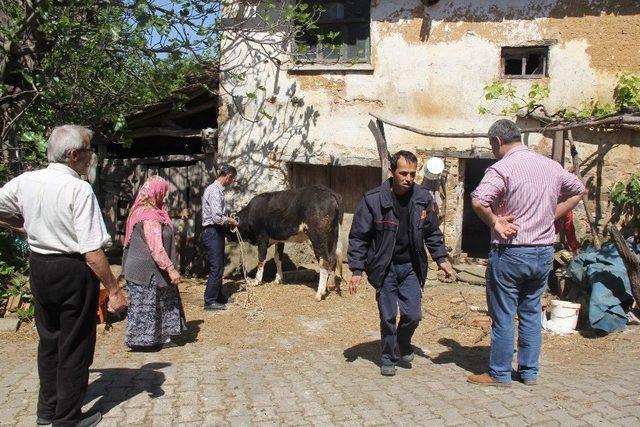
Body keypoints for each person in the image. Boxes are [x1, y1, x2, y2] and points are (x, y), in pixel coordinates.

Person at [0, 125, 127, 427]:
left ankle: (47, 413)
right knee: (75, 345)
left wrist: (22, 224)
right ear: (73, 155)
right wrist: (114, 289)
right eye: (87, 150)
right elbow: (92, 252)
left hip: (41, 267)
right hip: (72, 270)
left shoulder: (27, 180)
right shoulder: (78, 188)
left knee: (50, 341)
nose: (91, 156)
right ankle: (67, 419)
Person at [468, 119, 585, 387]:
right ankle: (529, 372)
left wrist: (496, 221)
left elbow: (478, 200)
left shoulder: (502, 168)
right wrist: (549, 215)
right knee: (531, 312)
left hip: (511, 251)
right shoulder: (550, 165)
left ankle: (499, 373)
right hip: (542, 252)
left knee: (504, 313)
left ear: (498, 141)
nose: (493, 151)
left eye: (491, 146)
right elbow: (578, 189)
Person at [348, 150, 455, 376]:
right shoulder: (373, 199)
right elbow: (359, 236)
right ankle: (388, 357)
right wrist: (357, 269)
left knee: (413, 315)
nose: (408, 178)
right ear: (392, 172)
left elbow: (432, 233)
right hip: (384, 267)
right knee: (387, 316)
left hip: (410, 267)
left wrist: (442, 259)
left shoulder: (423, 198)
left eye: (412, 174)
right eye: (403, 173)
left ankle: (403, 341)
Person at [121, 175, 187, 351]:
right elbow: (156, 247)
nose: (164, 196)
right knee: (151, 305)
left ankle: (155, 339)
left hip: (142, 269)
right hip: (148, 270)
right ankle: (147, 342)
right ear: (156, 193)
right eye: (163, 192)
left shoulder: (139, 211)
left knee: (155, 304)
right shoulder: (149, 216)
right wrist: (171, 269)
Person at [201, 165, 238, 310]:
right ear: (228, 176)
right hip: (213, 231)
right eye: (232, 179)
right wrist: (231, 221)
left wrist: (227, 220)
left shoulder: (216, 190)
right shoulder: (215, 191)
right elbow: (217, 218)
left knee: (219, 265)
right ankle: (209, 300)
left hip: (216, 231)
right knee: (216, 266)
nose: (232, 182)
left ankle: (218, 296)